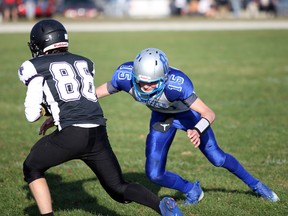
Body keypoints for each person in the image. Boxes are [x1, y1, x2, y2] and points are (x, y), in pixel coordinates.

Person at [18, 20, 183, 216]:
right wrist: (56, 116)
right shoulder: (84, 62)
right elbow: (79, 99)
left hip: (71, 135)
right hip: (97, 132)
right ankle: (163, 206)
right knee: (118, 188)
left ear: (40, 44)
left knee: (32, 167)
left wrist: (47, 111)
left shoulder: (34, 66)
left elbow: (31, 115)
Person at [94, 48, 280, 205]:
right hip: (162, 117)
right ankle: (192, 189)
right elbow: (96, 93)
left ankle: (256, 185)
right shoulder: (124, 76)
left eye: (151, 83)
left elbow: (209, 113)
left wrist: (197, 129)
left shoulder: (177, 85)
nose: (145, 88)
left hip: (188, 117)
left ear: (164, 78)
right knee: (154, 174)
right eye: (141, 82)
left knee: (217, 158)